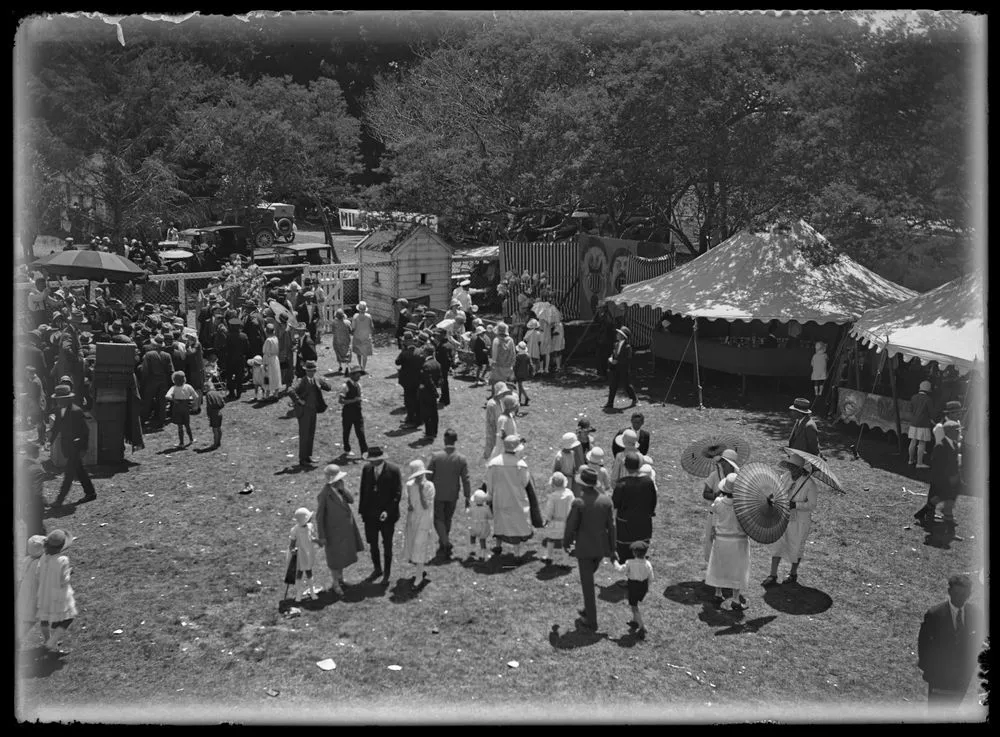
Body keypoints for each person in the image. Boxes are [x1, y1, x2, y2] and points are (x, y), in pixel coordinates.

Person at [917, 573, 984, 707]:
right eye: (957, 594)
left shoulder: (975, 613)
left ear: (969, 594)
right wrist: (929, 670)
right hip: (939, 676)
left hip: (961, 678)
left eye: (964, 595)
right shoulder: (935, 615)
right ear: (949, 592)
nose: (960, 599)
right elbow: (923, 645)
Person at [563, 466, 617, 631]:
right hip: (600, 548)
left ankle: (591, 621)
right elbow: (612, 526)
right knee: (589, 578)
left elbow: (571, 526)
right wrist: (613, 548)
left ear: (582, 485)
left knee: (587, 585)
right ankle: (588, 609)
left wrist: (566, 542)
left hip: (585, 548)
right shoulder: (606, 501)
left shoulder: (579, 502)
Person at [762, 454, 818, 587]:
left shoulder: (809, 484)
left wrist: (796, 505)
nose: (790, 469)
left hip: (799, 521)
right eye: (789, 466)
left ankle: (793, 573)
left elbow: (812, 505)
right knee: (778, 544)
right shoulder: (785, 477)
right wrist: (772, 497)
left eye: (793, 467)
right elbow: (778, 490)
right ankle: (773, 574)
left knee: (796, 546)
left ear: (800, 468)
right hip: (783, 516)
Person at [315, 464, 365, 595]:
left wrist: (344, 490)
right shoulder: (324, 495)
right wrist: (322, 536)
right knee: (334, 559)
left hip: (346, 529)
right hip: (333, 532)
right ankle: (335, 583)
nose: (340, 481)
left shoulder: (341, 489)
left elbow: (351, 500)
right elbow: (319, 517)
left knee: (342, 555)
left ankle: (341, 579)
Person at [703, 472, 751, 611]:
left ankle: (718, 593)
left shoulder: (718, 502)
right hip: (738, 541)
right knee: (738, 570)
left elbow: (713, 516)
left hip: (722, 540)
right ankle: (736, 599)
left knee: (719, 566)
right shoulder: (743, 506)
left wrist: (713, 529)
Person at [485, 434, 536, 557]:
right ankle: (517, 553)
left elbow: (489, 482)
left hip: (500, 498)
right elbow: (525, 482)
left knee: (500, 521)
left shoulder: (494, 463)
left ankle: (498, 546)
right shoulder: (521, 465)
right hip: (516, 498)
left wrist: (490, 495)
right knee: (516, 524)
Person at [358, 447, 403, 586]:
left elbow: (397, 494)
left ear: (380, 459)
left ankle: (387, 571)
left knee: (387, 544)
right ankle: (377, 569)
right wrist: (362, 511)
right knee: (373, 543)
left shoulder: (394, 470)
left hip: (387, 516)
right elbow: (363, 490)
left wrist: (388, 511)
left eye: (373, 460)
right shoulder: (366, 469)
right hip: (370, 515)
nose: (370, 463)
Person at [48, 385, 96, 507]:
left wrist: (84, 448)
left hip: (76, 447)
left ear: (68, 399)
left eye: (61, 399)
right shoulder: (58, 410)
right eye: (57, 399)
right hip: (67, 447)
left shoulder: (76, 411)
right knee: (80, 470)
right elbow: (57, 427)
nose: (58, 401)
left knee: (69, 474)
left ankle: (59, 500)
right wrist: (50, 442)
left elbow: (86, 431)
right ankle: (91, 493)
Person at [913, 420, 963, 539]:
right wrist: (945, 479)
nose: (959, 433)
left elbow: (954, 463)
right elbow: (936, 465)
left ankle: (921, 513)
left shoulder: (954, 444)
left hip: (952, 480)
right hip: (942, 480)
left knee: (938, 499)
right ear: (949, 432)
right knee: (948, 505)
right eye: (957, 431)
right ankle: (950, 532)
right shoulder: (940, 446)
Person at [428, 428, 472, 558]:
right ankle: (444, 541)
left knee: (438, 518)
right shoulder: (461, 458)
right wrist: (467, 496)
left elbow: (428, 475)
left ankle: (445, 543)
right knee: (448, 518)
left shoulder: (436, 456)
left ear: (444, 439)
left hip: (437, 493)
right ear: (455, 441)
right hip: (453, 495)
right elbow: (466, 479)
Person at [612, 451, 658, 570]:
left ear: (625, 467)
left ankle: (629, 578)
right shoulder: (648, 482)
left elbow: (615, 503)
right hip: (643, 522)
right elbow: (653, 501)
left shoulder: (621, 484)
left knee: (624, 551)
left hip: (625, 524)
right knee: (641, 548)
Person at [37, 529, 78, 655]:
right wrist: (69, 573)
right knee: (67, 618)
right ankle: (51, 643)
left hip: (44, 593)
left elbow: (38, 573)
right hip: (58, 595)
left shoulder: (44, 557)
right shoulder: (63, 560)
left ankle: (47, 640)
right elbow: (64, 581)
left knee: (45, 618)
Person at [290, 360, 331, 467]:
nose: (311, 372)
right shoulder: (301, 381)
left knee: (311, 434)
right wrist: (299, 401)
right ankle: (302, 459)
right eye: (309, 371)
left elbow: (329, 387)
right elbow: (290, 391)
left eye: (313, 370)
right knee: (304, 435)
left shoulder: (316, 379)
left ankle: (308, 456)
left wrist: (322, 382)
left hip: (313, 410)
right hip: (304, 412)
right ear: (306, 371)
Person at [402, 459, 436, 586]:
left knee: (419, 544)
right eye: (416, 476)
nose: (417, 478)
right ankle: (420, 570)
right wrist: (410, 505)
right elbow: (410, 501)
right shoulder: (410, 485)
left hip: (425, 518)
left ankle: (419, 577)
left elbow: (426, 505)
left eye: (420, 476)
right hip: (413, 518)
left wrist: (421, 491)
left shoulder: (429, 486)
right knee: (413, 543)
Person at [614, 540, 654, 638]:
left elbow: (620, 569)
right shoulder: (648, 564)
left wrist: (614, 561)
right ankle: (634, 621)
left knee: (634, 606)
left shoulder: (630, 563)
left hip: (633, 586)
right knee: (634, 603)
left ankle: (642, 626)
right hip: (643, 586)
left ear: (634, 553)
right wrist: (647, 587)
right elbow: (651, 577)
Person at [18, 535, 47, 647]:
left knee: (35, 619)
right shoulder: (41, 563)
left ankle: (48, 640)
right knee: (30, 620)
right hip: (34, 596)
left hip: (25, 593)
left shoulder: (27, 560)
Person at [541, 472, 575, 565]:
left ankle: (549, 556)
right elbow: (573, 507)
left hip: (555, 522)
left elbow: (549, 510)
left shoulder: (553, 496)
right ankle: (565, 561)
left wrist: (547, 519)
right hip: (567, 522)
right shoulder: (569, 493)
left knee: (551, 539)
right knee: (565, 541)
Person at [287, 507, 319, 602]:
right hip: (300, 554)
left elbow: (311, 537)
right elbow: (292, 544)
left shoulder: (310, 526)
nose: (311, 519)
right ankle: (298, 593)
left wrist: (317, 541)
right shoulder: (295, 530)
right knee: (299, 573)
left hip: (308, 552)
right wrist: (293, 550)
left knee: (309, 571)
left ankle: (312, 591)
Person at [339, 365, 369, 459]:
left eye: (360, 375)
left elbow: (359, 397)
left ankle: (364, 452)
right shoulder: (345, 386)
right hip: (348, 412)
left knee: (361, 432)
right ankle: (347, 449)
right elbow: (341, 401)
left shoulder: (359, 385)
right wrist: (353, 400)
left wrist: (360, 400)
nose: (359, 377)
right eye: (357, 375)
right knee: (346, 431)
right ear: (352, 375)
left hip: (357, 412)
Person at [605, 326, 637, 409]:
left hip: (623, 369)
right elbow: (614, 354)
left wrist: (617, 361)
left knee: (627, 385)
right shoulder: (616, 344)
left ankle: (634, 398)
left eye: (619, 334)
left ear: (623, 336)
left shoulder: (627, 347)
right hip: (615, 369)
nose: (617, 335)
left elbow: (627, 359)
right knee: (613, 386)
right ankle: (609, 403)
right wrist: (611, 359)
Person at [165, 370, 197, 448]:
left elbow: (167, 396)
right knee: (187, 424)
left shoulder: (174, 388)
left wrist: (174, 400)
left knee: (180, 426)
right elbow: (195, 396)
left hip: (177, 407)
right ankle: (191, 439)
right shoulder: (188, 386)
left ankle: (181, 443)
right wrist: (189, 399)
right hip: (185, 407)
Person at [396, 338, 424, 428]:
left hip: (407, 380)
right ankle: (418, 419)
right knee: (417, 399)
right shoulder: (421, 351)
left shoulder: (404, 353)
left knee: (409, 400)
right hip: (418, 379)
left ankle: (411, 419)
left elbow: (397, 362)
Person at [908, 380, 935, 469]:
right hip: (923, 424)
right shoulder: (928, 399)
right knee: (922, 443)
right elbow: (931, 413)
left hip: (913, 423)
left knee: (913, 441)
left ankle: (910, 460)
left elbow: (911, 410)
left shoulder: (913, 397)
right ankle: (919, 463)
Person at [483, 382, 512, 461]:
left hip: (499, 427)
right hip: (493, 428)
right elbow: (491, 420)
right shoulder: (491, 404)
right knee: (492, 445)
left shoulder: (500, 401)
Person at [418, 345, 442, 440]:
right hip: (433, 391)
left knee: (427, 413)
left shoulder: (426, 365)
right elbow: (440, 378)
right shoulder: (437, 363)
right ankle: (434, 432)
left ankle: (429, 433)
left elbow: (428, 381)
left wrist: (433, 390)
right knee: (434, 413)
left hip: (427, 392)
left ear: (426, 353)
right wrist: (437, 387)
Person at [467, 489, 494, 561]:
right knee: (482, 540)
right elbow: (491, 517)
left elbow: (468, 514)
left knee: (472, 536)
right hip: (483, 527)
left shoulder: (472, 508)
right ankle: (482, 555)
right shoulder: (486, 508)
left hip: (474, 526)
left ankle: (472, 550)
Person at [491, 394, 519, 459]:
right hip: (504, 448)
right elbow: (501, 435)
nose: (516, 406)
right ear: (510, 406)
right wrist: (510, 442)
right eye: (515, 405)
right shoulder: (503, 419)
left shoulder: (510, 415)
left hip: (512, 446)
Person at [351, 301, 375, 371]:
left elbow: (353, 327)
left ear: (358, 309)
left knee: (358, 352)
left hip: (357, 336)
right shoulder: (369, 316)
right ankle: (363, 368)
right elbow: (372, 326)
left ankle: (359, 365)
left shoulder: (355, 316)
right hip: (366, 336)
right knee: (365, 353)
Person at [490, 322, 516, 386]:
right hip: (508, 365)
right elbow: (513, 352)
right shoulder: (511, 340)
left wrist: (493, 362)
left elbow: (494, 352)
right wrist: (513, 362)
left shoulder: (496, 340)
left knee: (497, 382)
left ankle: (496, 394)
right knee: (506, 382)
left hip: (498, 364)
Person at [203, 378, 226, 450]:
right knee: (219, 428)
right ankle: (219, 442)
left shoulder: (208, 394)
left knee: (215, 430)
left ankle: (215, 444)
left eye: (205, 387)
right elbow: (223, 403)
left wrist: (209, 414)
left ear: (207, 387)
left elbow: (209, 405)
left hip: (214, 414)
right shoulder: (217, 393)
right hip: (219, 412)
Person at [434, 328, 454, 407]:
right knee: (443, 383)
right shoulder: (446, 343)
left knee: (444, 383)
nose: (437, 336)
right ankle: (444, 398)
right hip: (444, 366)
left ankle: (446, 399)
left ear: (443, 335)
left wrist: (443, 367)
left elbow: (446, 358)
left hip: (443, 367)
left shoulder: (444, 345)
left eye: (438, 335)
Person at [262, 323, 282, 398]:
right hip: (275, 359)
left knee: (267, 376)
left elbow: (265, 351)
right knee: (276, 376)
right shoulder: (275, 338)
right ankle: (276, 393)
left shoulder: (268, 340)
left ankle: (267, 394)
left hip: (268, 360)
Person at [513, 341, 532, 407]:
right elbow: (531, 365)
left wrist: (514, 373)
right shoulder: (527, 355)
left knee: (520, 386)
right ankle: (526, 398)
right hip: (525, 373)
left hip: (518, 373)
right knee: (520, 386)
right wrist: (531, 372)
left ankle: (520, 399)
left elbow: (515, 366)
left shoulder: (518, 356)